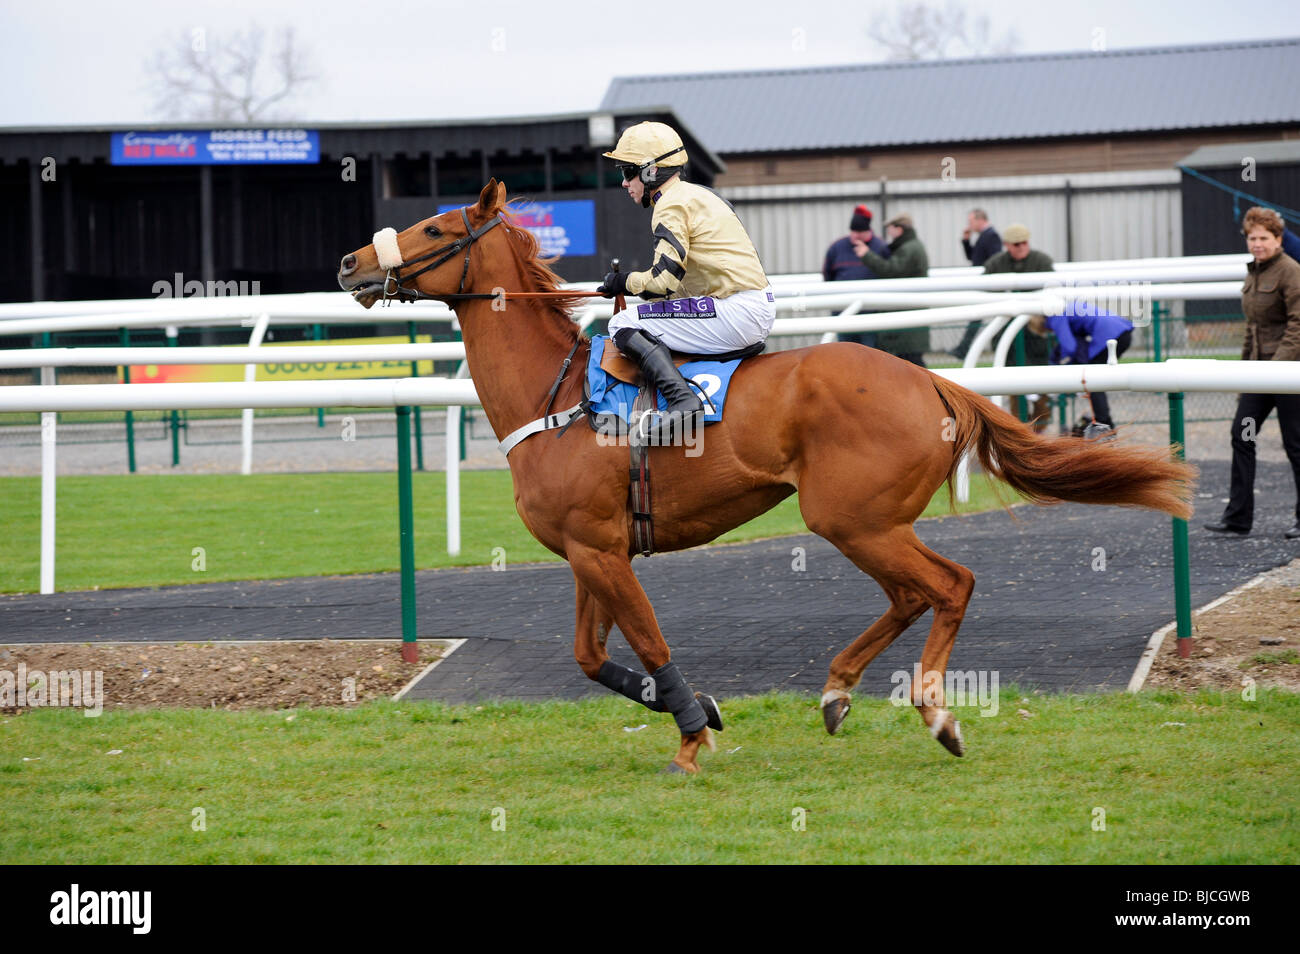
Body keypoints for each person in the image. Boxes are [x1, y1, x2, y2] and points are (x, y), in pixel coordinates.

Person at [596, 122, 775, 441]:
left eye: (627, 172)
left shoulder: (671, 204)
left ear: (650, 172)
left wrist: (623, 282)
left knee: (621, 323)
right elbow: (678, 287)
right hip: (748, 305)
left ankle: (682, 401)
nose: (624, 183)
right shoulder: (699, 195)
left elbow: (662, 282)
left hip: (735, 311)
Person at [1204, 207, 1300, 539]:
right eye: (1252, 238)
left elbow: (1298, 326)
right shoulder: (1254, 273)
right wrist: (1245, 373)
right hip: (1259, 374)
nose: (1257, 244)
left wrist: (1276, 371)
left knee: (1296, 445)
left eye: (1264, 238)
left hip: (1288, 375)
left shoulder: (1291, 272)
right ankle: (1238, 518)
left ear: (1278, 239)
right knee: (1241, 436)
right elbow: (1252, 328)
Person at [1026, 301, 1134, 430]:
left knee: (1092, 379)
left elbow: (1070, 347)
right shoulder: (1066, 309)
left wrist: (1064, 367)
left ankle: (1103, 422)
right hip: (1121, 331)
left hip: (1110, 335)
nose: (1051, 331)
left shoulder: (1055, 316)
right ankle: (1102, 420)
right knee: (1095, 379)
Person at [852, 214, 930, 366]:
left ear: (898, 229)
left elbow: (891, 270)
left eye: (890, 228)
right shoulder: (911, 246)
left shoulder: (908, 249)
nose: (888, 232)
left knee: (913, 365)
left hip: (908, 318)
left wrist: (867, 255)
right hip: (910, 317)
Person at [823, 204, 889, 346]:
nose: (855, 236)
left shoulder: (880, 247)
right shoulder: (837, 247)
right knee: (846, 351)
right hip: (843, 310)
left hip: (871, 313)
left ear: (868, 231)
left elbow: (888, 272)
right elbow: (827, 275)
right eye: (853, 231)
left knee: (869, 353)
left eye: (859, 232)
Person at [950, 209, 1004, 359]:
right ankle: (963, 348)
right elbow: (973, 257)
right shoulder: (984, 236)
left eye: (971, 221)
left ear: (980, 220)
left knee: (983, 316)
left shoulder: (991, 236)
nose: (969, 225)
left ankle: (964, 348)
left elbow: (994, 259)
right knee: (979, 316)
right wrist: (966, 241)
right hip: (984, 282)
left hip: (989, 283)